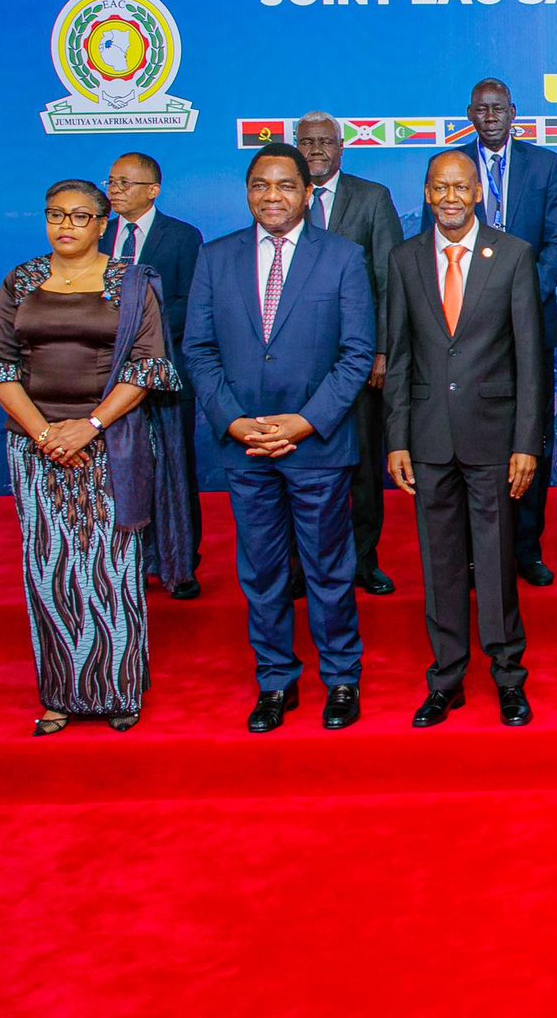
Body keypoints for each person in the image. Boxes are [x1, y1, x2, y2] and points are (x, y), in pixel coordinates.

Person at [0, 179, 184, 735]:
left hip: (110, 442)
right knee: (50, 569)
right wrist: (44, 434)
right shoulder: (23, 280)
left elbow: (147, 368)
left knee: (111, 570)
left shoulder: (131, 283)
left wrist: (87, 428)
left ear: (103, 224)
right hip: (36, 448)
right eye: (55, 214)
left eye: (80, 216)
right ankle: (60, 694)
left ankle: (118, 691)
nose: (65, 225)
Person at [184, 142, 376, 733]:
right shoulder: (216, 259)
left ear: (306, 191)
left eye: (286, 186)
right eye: (262, 185)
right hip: (245, 445)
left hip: (316, 444)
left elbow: (357, 353)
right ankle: (275, 682)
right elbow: (198, 349)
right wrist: (236, 421)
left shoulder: (343, 257)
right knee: (262, 572)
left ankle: (342, 678)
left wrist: (305, 421)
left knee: (328, 569)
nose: (273, 196)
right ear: (247, 192)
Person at [385, 150, 546, 729]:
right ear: (427, 194)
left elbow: (532, 357)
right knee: (441, 562)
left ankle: (508, 678)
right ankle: (446, 678)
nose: (450, 198)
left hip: (494, 438)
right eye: (439, 188)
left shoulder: (512, 256)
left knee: (498, 559)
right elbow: (399, 357)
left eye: (461, 187)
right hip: (427, 439)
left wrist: (528, 440)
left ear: (478, 192)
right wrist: (396, 439)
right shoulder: (404, 259)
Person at [438, 78, 557, 588]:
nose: (490, 115)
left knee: (529, 436)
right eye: (481, 108)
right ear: (470, 114)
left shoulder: (545, 165)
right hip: (461, 327)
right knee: (472, 438)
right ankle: (474, 554)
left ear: (513, 112)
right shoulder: (452, 167)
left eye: (499, 108)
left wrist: (514, 294)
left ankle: (526, 548)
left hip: (529, 322)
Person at [294, 112, 404, 597]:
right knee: (300, 469)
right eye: (307, 142)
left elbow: (390, 280)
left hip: (358, 361)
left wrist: (382, 350)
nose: (316, 149)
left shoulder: (372, 198)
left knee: (361, 467)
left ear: (342, 148)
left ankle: (363, 560)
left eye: (325, 142)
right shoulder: (281, 197)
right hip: (296, 365)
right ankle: (301, 567)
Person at [99, 150, 205, 599]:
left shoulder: (182, 237)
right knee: (121, 472)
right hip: (104, 378)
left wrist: (138, 331)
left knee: (175, 470)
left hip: (166, 377)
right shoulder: (97, 235)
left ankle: (180, 561)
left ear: (153, 190)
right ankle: (127, 563)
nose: (115, 189)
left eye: (125, 182)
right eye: (112, 181)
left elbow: (193, 303)